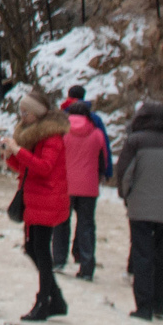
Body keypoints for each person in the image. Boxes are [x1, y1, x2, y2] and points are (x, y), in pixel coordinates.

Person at [114, 99, 163, 320]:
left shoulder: (134, 142)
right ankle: (159, 305)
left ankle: (143, 306)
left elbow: (125, 174)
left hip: (140, 206)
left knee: (142, 255)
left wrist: (127, 195)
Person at [5, 91, 71, 322]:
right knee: (32, 249)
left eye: (27, 112)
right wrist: (10, 155)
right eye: (21, 112)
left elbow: (44, 167)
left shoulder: (51, 137)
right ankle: (56, 299)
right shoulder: (32, 135)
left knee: (41, 251)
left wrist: (18, 151)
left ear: (38, 114)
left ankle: (44, 302)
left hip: (47, 200)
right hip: (34, 199)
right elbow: (24, 168)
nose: (22, 116)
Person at [53, 99, 110, 280]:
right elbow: (104, 161)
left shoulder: (61, 133)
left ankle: (59, 260)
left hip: (64, 185)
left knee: (61, 222)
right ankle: (86, 267)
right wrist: (101, 175)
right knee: (86, 225)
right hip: (89, 186)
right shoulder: (97, 134)